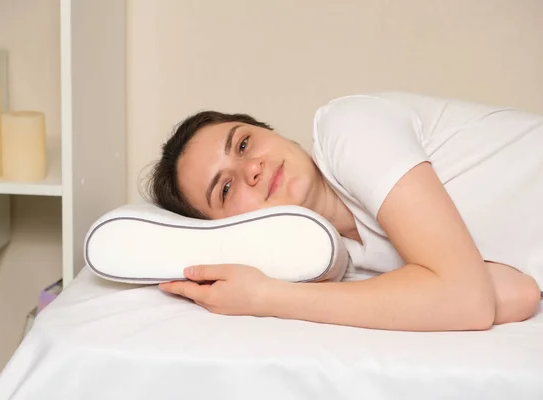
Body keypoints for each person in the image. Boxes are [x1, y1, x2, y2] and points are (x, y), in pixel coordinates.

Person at [146, 91, 543, 332]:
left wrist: (268, 298)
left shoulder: (347, 127)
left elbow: (465, 300)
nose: (252, 169)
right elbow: (518, 294)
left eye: (245, 144)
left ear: (272, 131)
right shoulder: (348, 261)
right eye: (226, 188)